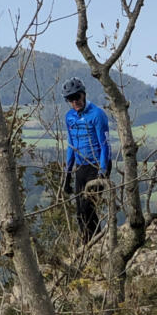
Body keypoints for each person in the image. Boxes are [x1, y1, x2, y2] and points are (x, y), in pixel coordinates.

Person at [62, 77, 112, 241]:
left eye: (77, 97)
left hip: (97, 164)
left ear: (83, 94)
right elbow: (71, 146)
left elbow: (105, 145)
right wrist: (67, 175)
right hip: (81, 166)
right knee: (80, 212)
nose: (74, 102)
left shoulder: (97, 114)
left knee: (88, 207)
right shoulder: (69, 117)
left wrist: (102, 171)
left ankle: (95, 242)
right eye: (70, 99)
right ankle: (88, 243)